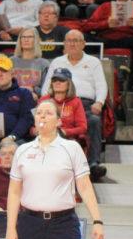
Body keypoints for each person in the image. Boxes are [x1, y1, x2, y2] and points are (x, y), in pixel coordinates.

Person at [6, 99, 105, 239]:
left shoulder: (71, 148)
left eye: (48, 113)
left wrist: (97, 221)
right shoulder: (22, 151)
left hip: (63, 224)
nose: (42, 116)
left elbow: (85, 187)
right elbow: (14, 192)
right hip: (30, 223)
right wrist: (10, 230)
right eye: (39, 112)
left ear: (59, 121)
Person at [42, 30, 108, 179]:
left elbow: (102, 86)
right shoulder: (57, 62)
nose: (72, 43)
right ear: (64, 44)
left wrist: (99, 102)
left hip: (85, 105)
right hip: (59, 103)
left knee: (94, 121)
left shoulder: (93, 62)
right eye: (69, 40)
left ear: (83, 44)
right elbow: (47, 87)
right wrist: (47, 104)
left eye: (76, 40)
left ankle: (93, 164)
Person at [39, 69, 89, 146]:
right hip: (45, 139)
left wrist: (65, 132)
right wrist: (36, 130)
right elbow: (34, 124)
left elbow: (83, 127)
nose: (57, 83)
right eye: (54, 80)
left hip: (67, 140)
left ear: (69, 84)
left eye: (61, 80)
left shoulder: (76, 101)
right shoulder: (43, 100)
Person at [11, 28, 49, 99]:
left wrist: (33, 89)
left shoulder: (44, 64)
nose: (26, 40)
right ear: (20, 40)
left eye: (30, 37)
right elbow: (5, 86)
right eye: (23, 37)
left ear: (36, 40)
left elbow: (47, 90)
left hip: (35, 100)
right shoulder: (11, 61)